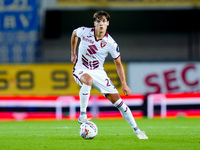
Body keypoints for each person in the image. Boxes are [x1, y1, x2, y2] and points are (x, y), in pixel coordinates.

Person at [71, 10, 148, 139]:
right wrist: (73, 53)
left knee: (120, 103)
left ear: (108, 24)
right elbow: (74, 34)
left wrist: (124, 83)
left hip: (99, 73)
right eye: (98, 21)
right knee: (88, 80)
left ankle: (138, 131)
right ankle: (83, 114)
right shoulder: (84, 32)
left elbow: (118, 63)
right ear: (94, 23)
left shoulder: (111, 44)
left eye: (104, 21)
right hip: (81, 69)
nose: (101, 24)